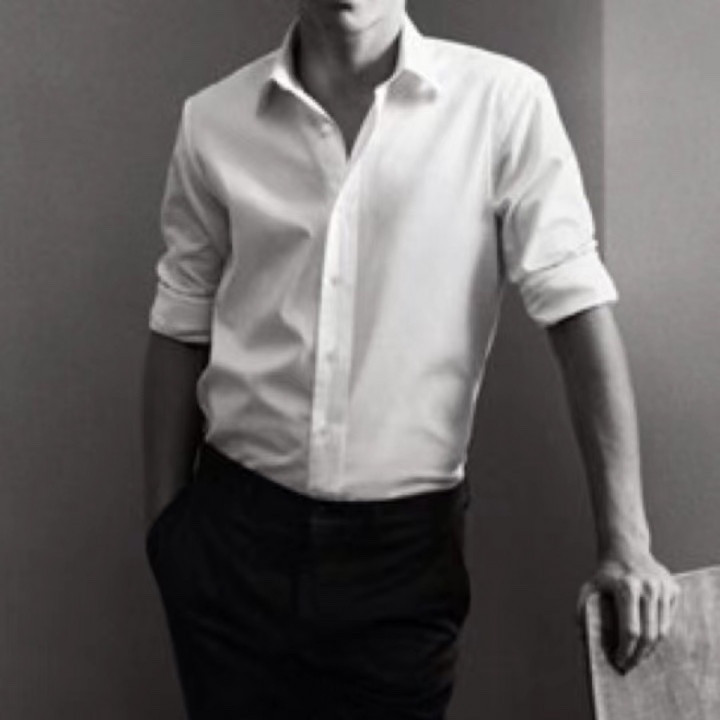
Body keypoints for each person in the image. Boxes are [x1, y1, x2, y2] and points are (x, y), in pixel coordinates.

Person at [142, 1, 680, 718]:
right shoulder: (214, 120)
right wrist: (166, 533)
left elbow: (577, 310)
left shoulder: (503, 103)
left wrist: (627, 541)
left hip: (401, 555)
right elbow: (181, 318)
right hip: (233, 534)